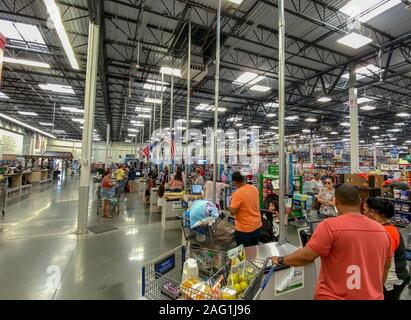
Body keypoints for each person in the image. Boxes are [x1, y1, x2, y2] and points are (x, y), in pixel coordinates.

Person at [272, 184, 392, 300]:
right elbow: (386, 266)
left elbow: (307, 256)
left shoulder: (330, 226)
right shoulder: (382, 231)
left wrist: (281, 259)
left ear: (336, 202)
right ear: (360, 202)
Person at [363, 197, 410, 300]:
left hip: (392, 280)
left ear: (372, 212)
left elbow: (384, 261)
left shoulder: (388, 232)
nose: (364, 213)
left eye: (365, 210)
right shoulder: (382, 229)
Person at [229, 172, 262, 247]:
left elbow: (232, 212)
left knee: (243, 253)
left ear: (234, 182)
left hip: (244, 229)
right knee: (254, 249)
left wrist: (231, 200)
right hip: (257, 225)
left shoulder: (238, 193)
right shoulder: (254, 188)